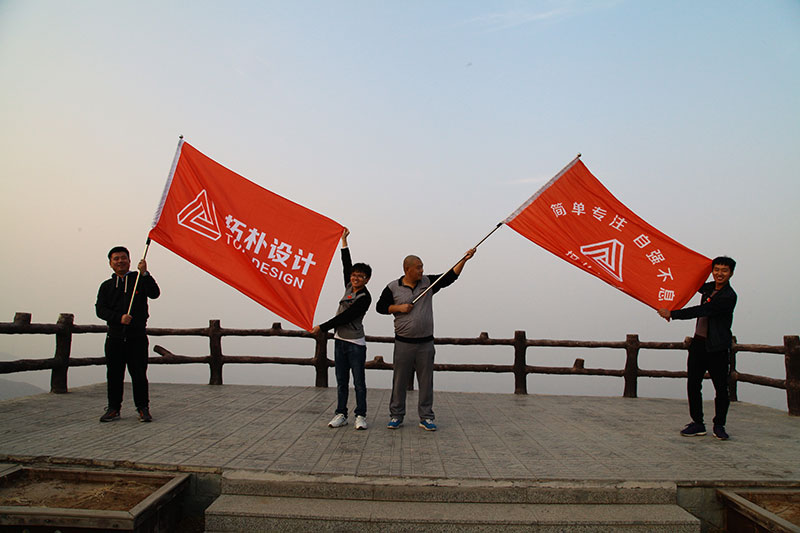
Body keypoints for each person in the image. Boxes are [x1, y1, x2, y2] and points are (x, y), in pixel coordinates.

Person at [376, 248, 476, 431]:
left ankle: (426, 417)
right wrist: (398, 308)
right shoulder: (393, 287)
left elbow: (449, 277)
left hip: (425, 343)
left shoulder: (428, 283)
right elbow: (380, 307)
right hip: (403, 343)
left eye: (422, 267)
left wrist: (465, 259)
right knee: (399, 381)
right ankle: (396, 415)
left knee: (426, 382)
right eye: (418, 268)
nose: (422, 270)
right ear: (407, 269)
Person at [658, 256, 737, 440]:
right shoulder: (709, 288)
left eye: (724, 270)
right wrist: (673, 265)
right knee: (693, 384)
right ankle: (698, 423)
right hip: (698, 344)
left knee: (721, 388)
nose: (719, 273)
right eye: (716, 269)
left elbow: (701, 310)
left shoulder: (728, 296)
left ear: (731, 273)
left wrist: (673, 314)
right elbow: (691, 282)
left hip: (717, 347)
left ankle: (719, 425)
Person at [312, 229, 372, 430]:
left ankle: (360, 415)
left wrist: (322, 327)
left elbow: (346, 317)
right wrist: (344, 242)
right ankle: (341, 414)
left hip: (355, 344)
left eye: (360, 276)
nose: (355, 278)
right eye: (354, 275)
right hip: (340, 341)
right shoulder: (348, 287)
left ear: (367, 279)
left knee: (359, 382)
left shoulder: (365, 298)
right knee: (341, 381)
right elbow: (346, 264)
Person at [95, 246, 160, 423]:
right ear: (110, 263)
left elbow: (155, 293)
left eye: (123, 258)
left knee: (139, 374)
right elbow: (100, 310)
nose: (120, 261)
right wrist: (119, 318)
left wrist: (145, 274)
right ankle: (113, 408)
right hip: (115, 337)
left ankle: (143, 408)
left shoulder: (139, 280)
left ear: (129, 261)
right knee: (114, 374)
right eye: (116, 259)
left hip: (137, 337)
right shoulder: (106, 286)